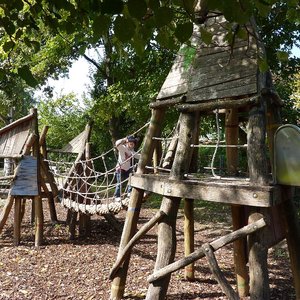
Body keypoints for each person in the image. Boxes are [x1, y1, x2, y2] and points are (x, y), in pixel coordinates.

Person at [114, 135, 140, 201]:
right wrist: (124, 139)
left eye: (133, 144)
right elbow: (117, 143)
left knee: (131, 178)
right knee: (120, 182)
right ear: (127, 143)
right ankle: (117, 196)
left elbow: (139, 156)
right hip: (120, 168)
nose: (132, 144)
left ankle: (129, 192)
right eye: (130, 143)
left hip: (127, 168)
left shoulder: (132, 152)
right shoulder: (122, 148)